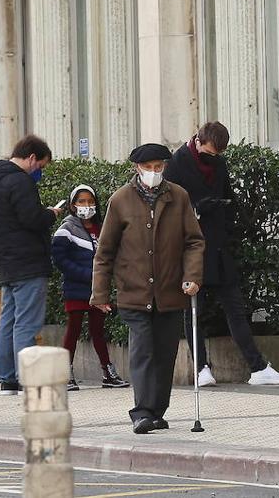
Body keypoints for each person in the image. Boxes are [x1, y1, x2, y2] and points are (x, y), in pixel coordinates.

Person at [163, 122, 279, 387]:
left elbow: (228, 194)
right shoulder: (177, 163)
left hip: (219, 245)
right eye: (209, 153)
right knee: (193, 310)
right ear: (198, 142)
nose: (213, 159)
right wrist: (197, 210)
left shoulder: (219, 164)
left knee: (234, 306)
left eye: (218, 155)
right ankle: (201, 368)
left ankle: (257, 368)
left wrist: (236, 220)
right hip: (191, 246)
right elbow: (170, 206)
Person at [91, 143, 205, 434]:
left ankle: (157, 410)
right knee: (143, 350)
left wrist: (192, 275)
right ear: (136, 168)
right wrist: (100, 293)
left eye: (159, 167)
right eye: (148, 167)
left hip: (170, 291)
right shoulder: (121, 200)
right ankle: (141, 411)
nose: (154, 173)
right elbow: (105, 251)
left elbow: (194, 241)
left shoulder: (178, 197)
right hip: (134, 292)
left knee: (165, 354)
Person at [0, 134, 62, 395]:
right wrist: (50, 214)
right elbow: (31, 219)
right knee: (26, 323)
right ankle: (26, 379)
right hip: (28, 261)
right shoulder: (20, 181)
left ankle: (7, 379)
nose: (40, 171)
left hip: (5, 261)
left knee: (8, 320)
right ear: (31, 158)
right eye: (41, 165)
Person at [51, 184, 129, 391]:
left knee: (98, 330)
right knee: (74, 329)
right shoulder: (65, 229)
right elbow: (60, 259)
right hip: (76, 288)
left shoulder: (102, 228)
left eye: (90, 201)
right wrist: (86, 275)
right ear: (72, 205)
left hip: (98, 290)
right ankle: (64, 372)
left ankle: (108, 372)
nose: (87, 205)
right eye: (81, 202)